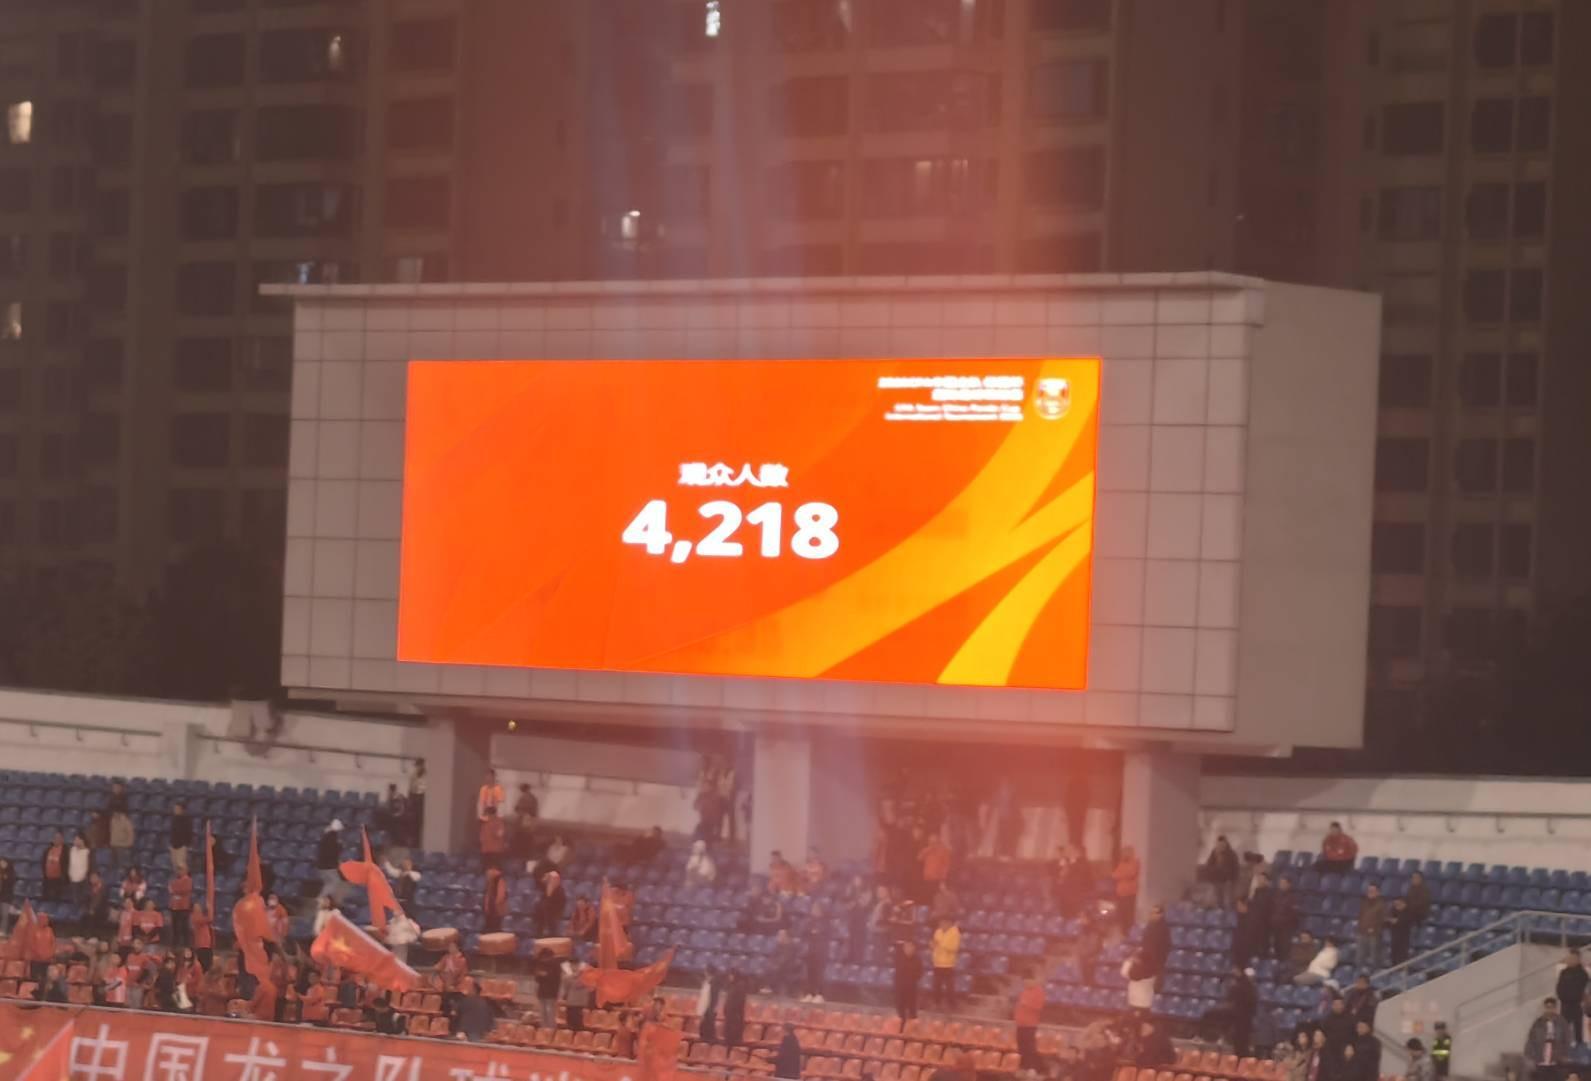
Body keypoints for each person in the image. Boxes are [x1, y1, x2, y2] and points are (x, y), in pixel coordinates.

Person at [1201, 964, 1257, 1056]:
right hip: (1235, 1011)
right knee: (1209, 1014)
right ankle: (1212, 1036)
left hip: (1242, 1016)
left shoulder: (1250, 990)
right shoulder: (1238, 986)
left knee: (1240, 1040)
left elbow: (1249, 1005)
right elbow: (1230, 999)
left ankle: (1223, 1037)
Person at [1526, 997, 1573, 1081]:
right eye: (1547, 1007)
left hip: (1557, 1061)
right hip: (1541, 1061)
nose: (1549, 1010)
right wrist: (1531, 1057)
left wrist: (1565, 1055)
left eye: (1552, 1007)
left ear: (1555, 1009)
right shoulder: (1538, 1023)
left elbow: (1568, 1040)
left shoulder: (1562, 1023)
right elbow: (1531, 1041)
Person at [1014, 973, 1046, 1071]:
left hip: (1030, 1025)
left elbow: (1039, 1007)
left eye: (1028, 981)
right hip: (1020, 1025)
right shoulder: (1024, 992)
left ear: (1033, 980)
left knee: (1030, 1048)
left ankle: (1033, 1068)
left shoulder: (1039, 992)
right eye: (1024, 981)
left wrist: (1027, 1004)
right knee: (1021, 1047)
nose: (1026, 983)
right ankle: (1023, 1067)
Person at [450, 977, 498, 1042]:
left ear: (474, 989)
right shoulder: (486, 1003)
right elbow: (492, 1023)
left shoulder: (462, 1001)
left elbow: (454, 1016)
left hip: (467, 1034)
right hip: (480, 1036)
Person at [1558, 949, 1589, 1046]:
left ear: (1578, 959)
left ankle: (1579, 1048)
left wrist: (1579, 999)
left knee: (1578, 1029)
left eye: (1573, 958)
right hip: (1565, 1005)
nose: (1571, 960)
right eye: (1570, 958)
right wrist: (1562, 997)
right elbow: (1559, 987)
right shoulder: (1564, 972)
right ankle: (1563, 1048)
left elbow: (1585, 989)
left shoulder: (1583, 974)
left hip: (1577, 1005)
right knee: (1563, 1029)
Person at [930, 917, 961, 1011]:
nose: (941, 925)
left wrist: (940, 944)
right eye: (940, 923)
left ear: (948, 923)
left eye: (943, 923)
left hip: (948, 965)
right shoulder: (937, 932)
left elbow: (954, 948)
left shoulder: (955, 933)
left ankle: (952, 1006)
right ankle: (936, 1004)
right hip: (937, 963)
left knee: (949, 987)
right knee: (936, 986)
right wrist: (932, 945)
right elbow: (934, 944)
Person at [1356, 884, 1386, 972]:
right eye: (1369, 891)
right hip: (1362, 932)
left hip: (1374, 934)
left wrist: (1374, 928)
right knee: (1360, 956)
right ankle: (1359, 973)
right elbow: (1360, 916)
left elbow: (1383, 919)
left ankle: (1374, 973)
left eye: (1373, 891)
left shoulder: (1382, 905)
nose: (1370, 893)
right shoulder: (1364, 903)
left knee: (1374, 956)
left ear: (1378, 892)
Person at [1205, 836, 1241, 908]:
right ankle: (1220, 910)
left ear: (1225, 843)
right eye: (1219, 844)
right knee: (1218, 899)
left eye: (1222, 844)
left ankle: (1228, 912)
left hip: (1228, 882)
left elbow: (1236, 868)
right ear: (1217, 844)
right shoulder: (1214, 852)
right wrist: (1212, 874)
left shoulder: (1232, 854)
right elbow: (1208, 865)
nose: (1220, 846)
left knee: (1227, 900)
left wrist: (1233, 880)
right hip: (1217, 881)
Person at [1272, 876, 1302, 961]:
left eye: (1284, 883)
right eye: (1281, 883)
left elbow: (1294, 915)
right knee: (1276, 949)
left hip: (1286, 929)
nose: (1281, 885)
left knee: (1284, 950)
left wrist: (1283, 921)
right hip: (1276, 928)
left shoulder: (1293, 898)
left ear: (1289, 884)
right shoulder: (1276, 896)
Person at [1140, 905, 1172, 981]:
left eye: (1156, 913)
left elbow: (1167, 945)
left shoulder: (1164, 928)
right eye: (1152, 912)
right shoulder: (1149, 925)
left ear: (1161, 914)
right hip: (1147, 959)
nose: (1153, 915)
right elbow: (1144, 940)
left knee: (1156, 980)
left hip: (1158, 961)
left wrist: (1159, 958)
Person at [894, 940, 923, 1022]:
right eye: (906, 947)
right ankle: (900, 1021)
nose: (908, 949)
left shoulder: (918, 959)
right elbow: (897, 972)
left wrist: (913, 979)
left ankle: (913, 1020)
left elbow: (920, 973)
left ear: (914, 948)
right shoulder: (899, 958)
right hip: (901, 986)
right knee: (900, 1006)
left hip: (912, 987)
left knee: (912, 1006)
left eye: (910, 947)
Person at [1112, 847, 1141, 928]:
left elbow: (1131, 874)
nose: (1123, 854)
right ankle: (1123, 931)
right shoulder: (1122, 863)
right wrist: (1122, 874)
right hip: (1121, 895)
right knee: (1122, 915)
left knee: (1129, 916)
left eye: (1125, 852)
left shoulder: (1135, 862)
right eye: (1123, 852)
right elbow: (1114, 875)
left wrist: (1121, 874)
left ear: (1130, 853)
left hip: (1130, 894)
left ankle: (1129, 932)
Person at [533, 947, 561, 1027]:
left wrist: (545, 975)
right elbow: (537, 978)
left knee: (550, 1012)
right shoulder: (540, 964)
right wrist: (540, 975)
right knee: (542, 1012)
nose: (543, 958)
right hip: (541, 992)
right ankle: (543, 1028)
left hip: (551, 993)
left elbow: (555, 978)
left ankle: (551, 1029)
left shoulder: (556, 965)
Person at [316, 820, 345, 897]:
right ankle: (322, 898)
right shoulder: (333, 839)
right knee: (334, 882)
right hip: (328, 866)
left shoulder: (325, 837)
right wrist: (340, 847)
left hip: (321, 865)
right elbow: (332, 852)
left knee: (329, 883)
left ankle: (325, 899)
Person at [533, 870, 566, 937]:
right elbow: (541, 882)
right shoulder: (545, 888)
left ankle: (551, 934)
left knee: (547, 911)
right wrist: (546, 877)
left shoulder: (560, 891)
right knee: (540, 907)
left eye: (554, 879)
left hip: (554, 912)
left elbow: (559, 904)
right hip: (545, 913)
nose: (552, 881)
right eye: (551, 879)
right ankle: (540, 933)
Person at [67, 831, 95, 904]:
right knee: (75, 901)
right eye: (74, 840)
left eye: (77, 840)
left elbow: (91, 867)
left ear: (82, 840)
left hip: (83, 882)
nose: (75, 841)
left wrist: (86, 877)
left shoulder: (88, 852)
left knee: (83, 902)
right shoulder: (72, 850)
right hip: (73, 881)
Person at [169, 866, 193, 947]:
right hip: (174, 906)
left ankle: (187, 945)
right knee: (175, 927)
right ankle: (175, 945)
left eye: (181, 870)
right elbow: (170, 889)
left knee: (184, 927)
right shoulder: (174, 880)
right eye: (178, 870)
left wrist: (175, 890)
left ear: (185, 871)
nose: (179, 872)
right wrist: (176, 890)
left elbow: (184, 890)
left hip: (184, 907)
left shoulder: (188, 880)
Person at [722, 971, 748, 1047]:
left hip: (735, 1016)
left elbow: (738, 1002)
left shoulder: (740, 987)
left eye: (731, 975)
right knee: (728, 1036)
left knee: (733, 1037)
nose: (730, 977)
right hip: (730, 1015)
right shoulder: (732, 986)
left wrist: (731, 1010)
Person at [41, 830, 67, 901]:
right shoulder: (47, 850)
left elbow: (66, 864)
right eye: (55, 838)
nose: (56, 839)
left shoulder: (66, 851)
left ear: (62, 839)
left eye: (58, 838)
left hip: (59, 880)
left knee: (57, 900)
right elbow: (43, 862)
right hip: (48, 880)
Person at [479, 806, 507, 870]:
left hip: (495, 851)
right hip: (487, 850)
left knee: (495, 869)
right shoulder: (484, 823)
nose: (484, 814)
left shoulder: (498, 822)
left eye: (486, 813)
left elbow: (500, 834)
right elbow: (482, 836)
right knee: (487, 869)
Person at [169, 800, 194, 874]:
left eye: (177, 808)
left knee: (181, 865)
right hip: (173, 845)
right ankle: (178, 879)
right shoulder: (174, 819)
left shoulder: (187, 820)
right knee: (175, 866)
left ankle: (186, 879)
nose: (175, 810)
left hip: (182, 846)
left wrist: (187, 844)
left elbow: (189, 833)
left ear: (182, 809)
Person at [1387, 897, 1414, 965]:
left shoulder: (1408, 912)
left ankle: (1402, 968)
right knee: (1393, 954)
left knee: (1402, 955)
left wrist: (1397, 921)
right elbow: (1388, 920)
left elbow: (1405, 922)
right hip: (1394, 936)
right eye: (1395, 904)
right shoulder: (1393, 910)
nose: (1396, 906)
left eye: (1398, 904)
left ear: (1404, 904)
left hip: (1403, 938)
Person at [108, 805, 135, 872]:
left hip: (122, 846)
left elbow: (131, 834)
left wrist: (127, 844)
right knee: (112, 865)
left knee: (121, 865)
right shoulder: (112, 820)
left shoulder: (126, 821)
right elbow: (111, 830)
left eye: (115, 812)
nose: (114, 814)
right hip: (113, 845)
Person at [483, 867, 509, 934]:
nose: (488, 872)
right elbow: (487, 895)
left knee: (496, 929)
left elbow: (501, 896)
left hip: (497, 911)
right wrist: (487, 906)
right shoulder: (490, 882)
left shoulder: (500, 880)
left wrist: (495, 906)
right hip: (490, 911)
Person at [191, 903, 214, 970]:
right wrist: (210, 905)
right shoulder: (195, 918)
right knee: (203, 967)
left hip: (207, 946)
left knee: (209, 966)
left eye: (199, 910)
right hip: (201, 946)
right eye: (197, 910)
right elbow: (210, 918)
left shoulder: (202, 919)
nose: (199, 911)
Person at [0, 856, 16, 935]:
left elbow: (11, 883)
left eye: (3, 862)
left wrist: (4, 877)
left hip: (6, 897)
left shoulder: (11, 873)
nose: (2, 864)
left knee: (4, 915)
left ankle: (3, 930)